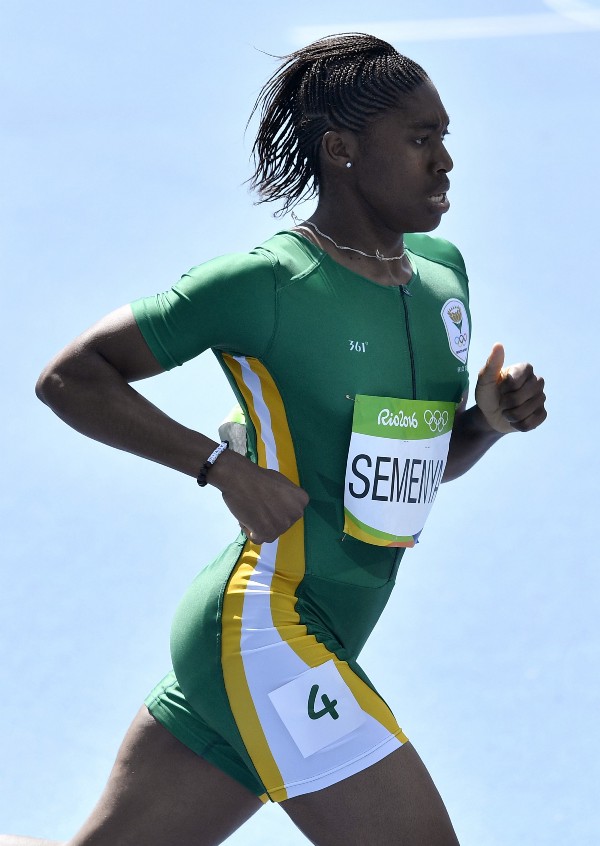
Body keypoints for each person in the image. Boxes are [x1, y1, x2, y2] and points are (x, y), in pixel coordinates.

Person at [3, 33, 546, 846]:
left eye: (446, 138)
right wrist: (217, 466)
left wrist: (486, 425)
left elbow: (408, 471)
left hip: (304, 637)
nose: (446, 163)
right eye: (421, 139)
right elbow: (70, 378)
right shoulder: (266, 284)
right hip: (265, 629)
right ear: (342, 151)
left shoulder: (443, 277)